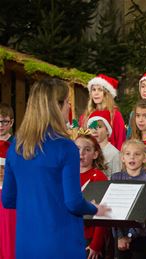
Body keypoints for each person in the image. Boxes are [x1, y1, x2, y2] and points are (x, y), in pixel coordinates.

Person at [2, 78, 109, 258]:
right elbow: (73, 202)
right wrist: (95, 209)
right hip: (60, 240)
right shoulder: (65, 147)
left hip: (27, 242)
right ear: (56, 107)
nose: (69, 107)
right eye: (67, 102)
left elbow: (8, 199)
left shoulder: (16, 147)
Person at [111, 140, 146, 259]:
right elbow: (112, 210)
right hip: (119, 235)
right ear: (122, 158)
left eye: (137, 154)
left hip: (141, 236)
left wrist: (130, 236)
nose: (132, 157)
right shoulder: (116, 178)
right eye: (128, 154)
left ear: (145, 158)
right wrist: (120, 237)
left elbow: (145, 211)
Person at [76, 134, 110, 258]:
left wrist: (96, 244)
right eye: (77, 148)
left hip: (89, 238)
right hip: (69, 236)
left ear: (95, 155)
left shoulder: (99, 177)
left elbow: (103, 214)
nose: (81, 153)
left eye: (87, 149)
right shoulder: (66, 175)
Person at [81, 74, 126, 148]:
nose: (96, 93)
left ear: (107, 94)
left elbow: (121, 140)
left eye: (100, 90)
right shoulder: (86, 115)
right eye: (93, 90)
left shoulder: (115, 115)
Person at [87, 110, 122, 177]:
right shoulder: (87, 151)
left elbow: (117, 178)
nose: (94, 131)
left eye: (99, 127)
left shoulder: (114, 153)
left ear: (107, 131)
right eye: (91, 127)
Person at [0, 103, 14, 259]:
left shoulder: (17, 143)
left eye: (4, 121)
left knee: (8, 234)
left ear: (11, 122)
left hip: (8, 194)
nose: (0, 125)